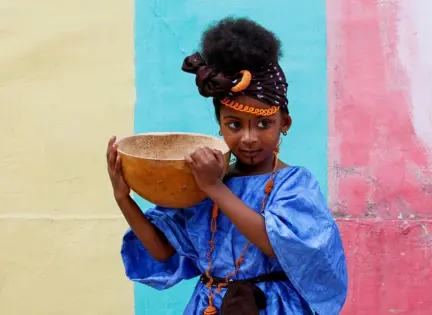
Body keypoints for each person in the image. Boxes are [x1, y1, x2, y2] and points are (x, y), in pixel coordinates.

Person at [107, 17, 348, 315]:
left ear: (284, 123)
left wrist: (213, 187)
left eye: (263, 124)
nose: (249, 138)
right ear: (219, 126)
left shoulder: (294, 184)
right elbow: (163, 251)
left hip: (273, 306)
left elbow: (275, 243)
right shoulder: (200, 180)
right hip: (210, 306)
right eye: (234, 124)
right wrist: (124, 199)